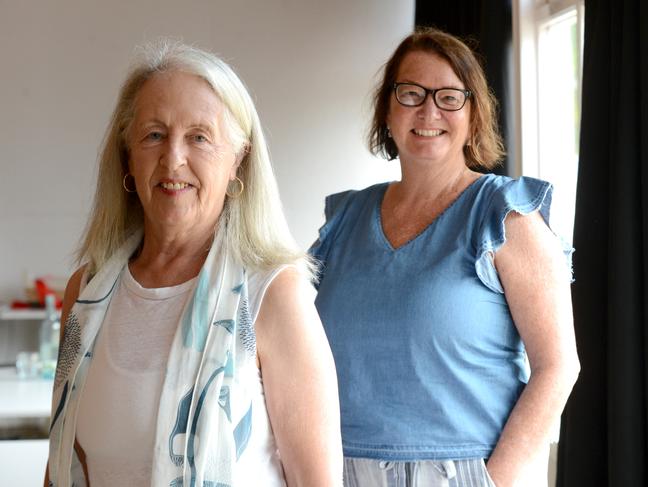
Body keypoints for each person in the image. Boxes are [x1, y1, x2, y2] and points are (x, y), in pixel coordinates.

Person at [45, 40, 342, 487]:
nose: (173, 158)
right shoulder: (85, 294)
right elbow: (61, 465)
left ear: (237, 161)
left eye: (199, 137)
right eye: (154, 135)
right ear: (128, 155)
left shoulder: (274, 294)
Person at [310, 27, 580, 487]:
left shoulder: (505, 215)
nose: (429, 110)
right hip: (339, 469)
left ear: (473, 115)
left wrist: (492, 482)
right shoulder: (344, 218)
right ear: (388, 111)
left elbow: (558, 367)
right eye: (411, 93)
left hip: (462, 472)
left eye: (450, 97)